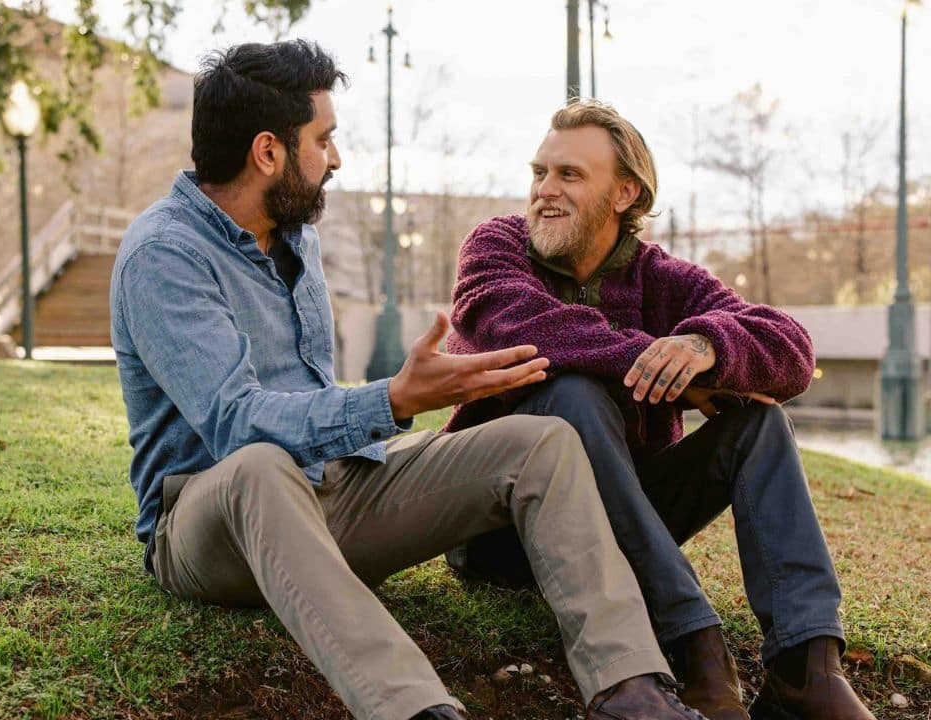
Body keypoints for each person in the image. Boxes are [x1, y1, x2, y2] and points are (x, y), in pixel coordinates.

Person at [110, 41, 711, 720]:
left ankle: (630, 690)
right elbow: (235, 422)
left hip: (332, 493)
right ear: (268, 153)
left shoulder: (291, 235)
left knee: (539, 441)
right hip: (211, 524)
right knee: (258, 465)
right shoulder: (165, 255)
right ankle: (415, 709)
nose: (335, 158)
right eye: (324, 139)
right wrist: (392, 399)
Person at [444, 98, 874, 720]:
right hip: (503, 531)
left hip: (625, 521)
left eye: (569, 175)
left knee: (758, 423)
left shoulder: (662, 277)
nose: (544, 190)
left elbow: (791, 349)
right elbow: (523, 330)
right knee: (571, 393)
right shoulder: (497, 246)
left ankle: (805, 668)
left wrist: (704, 348)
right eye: (540, 172)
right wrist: (659, 363)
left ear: (623, 193)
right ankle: (693, 641)